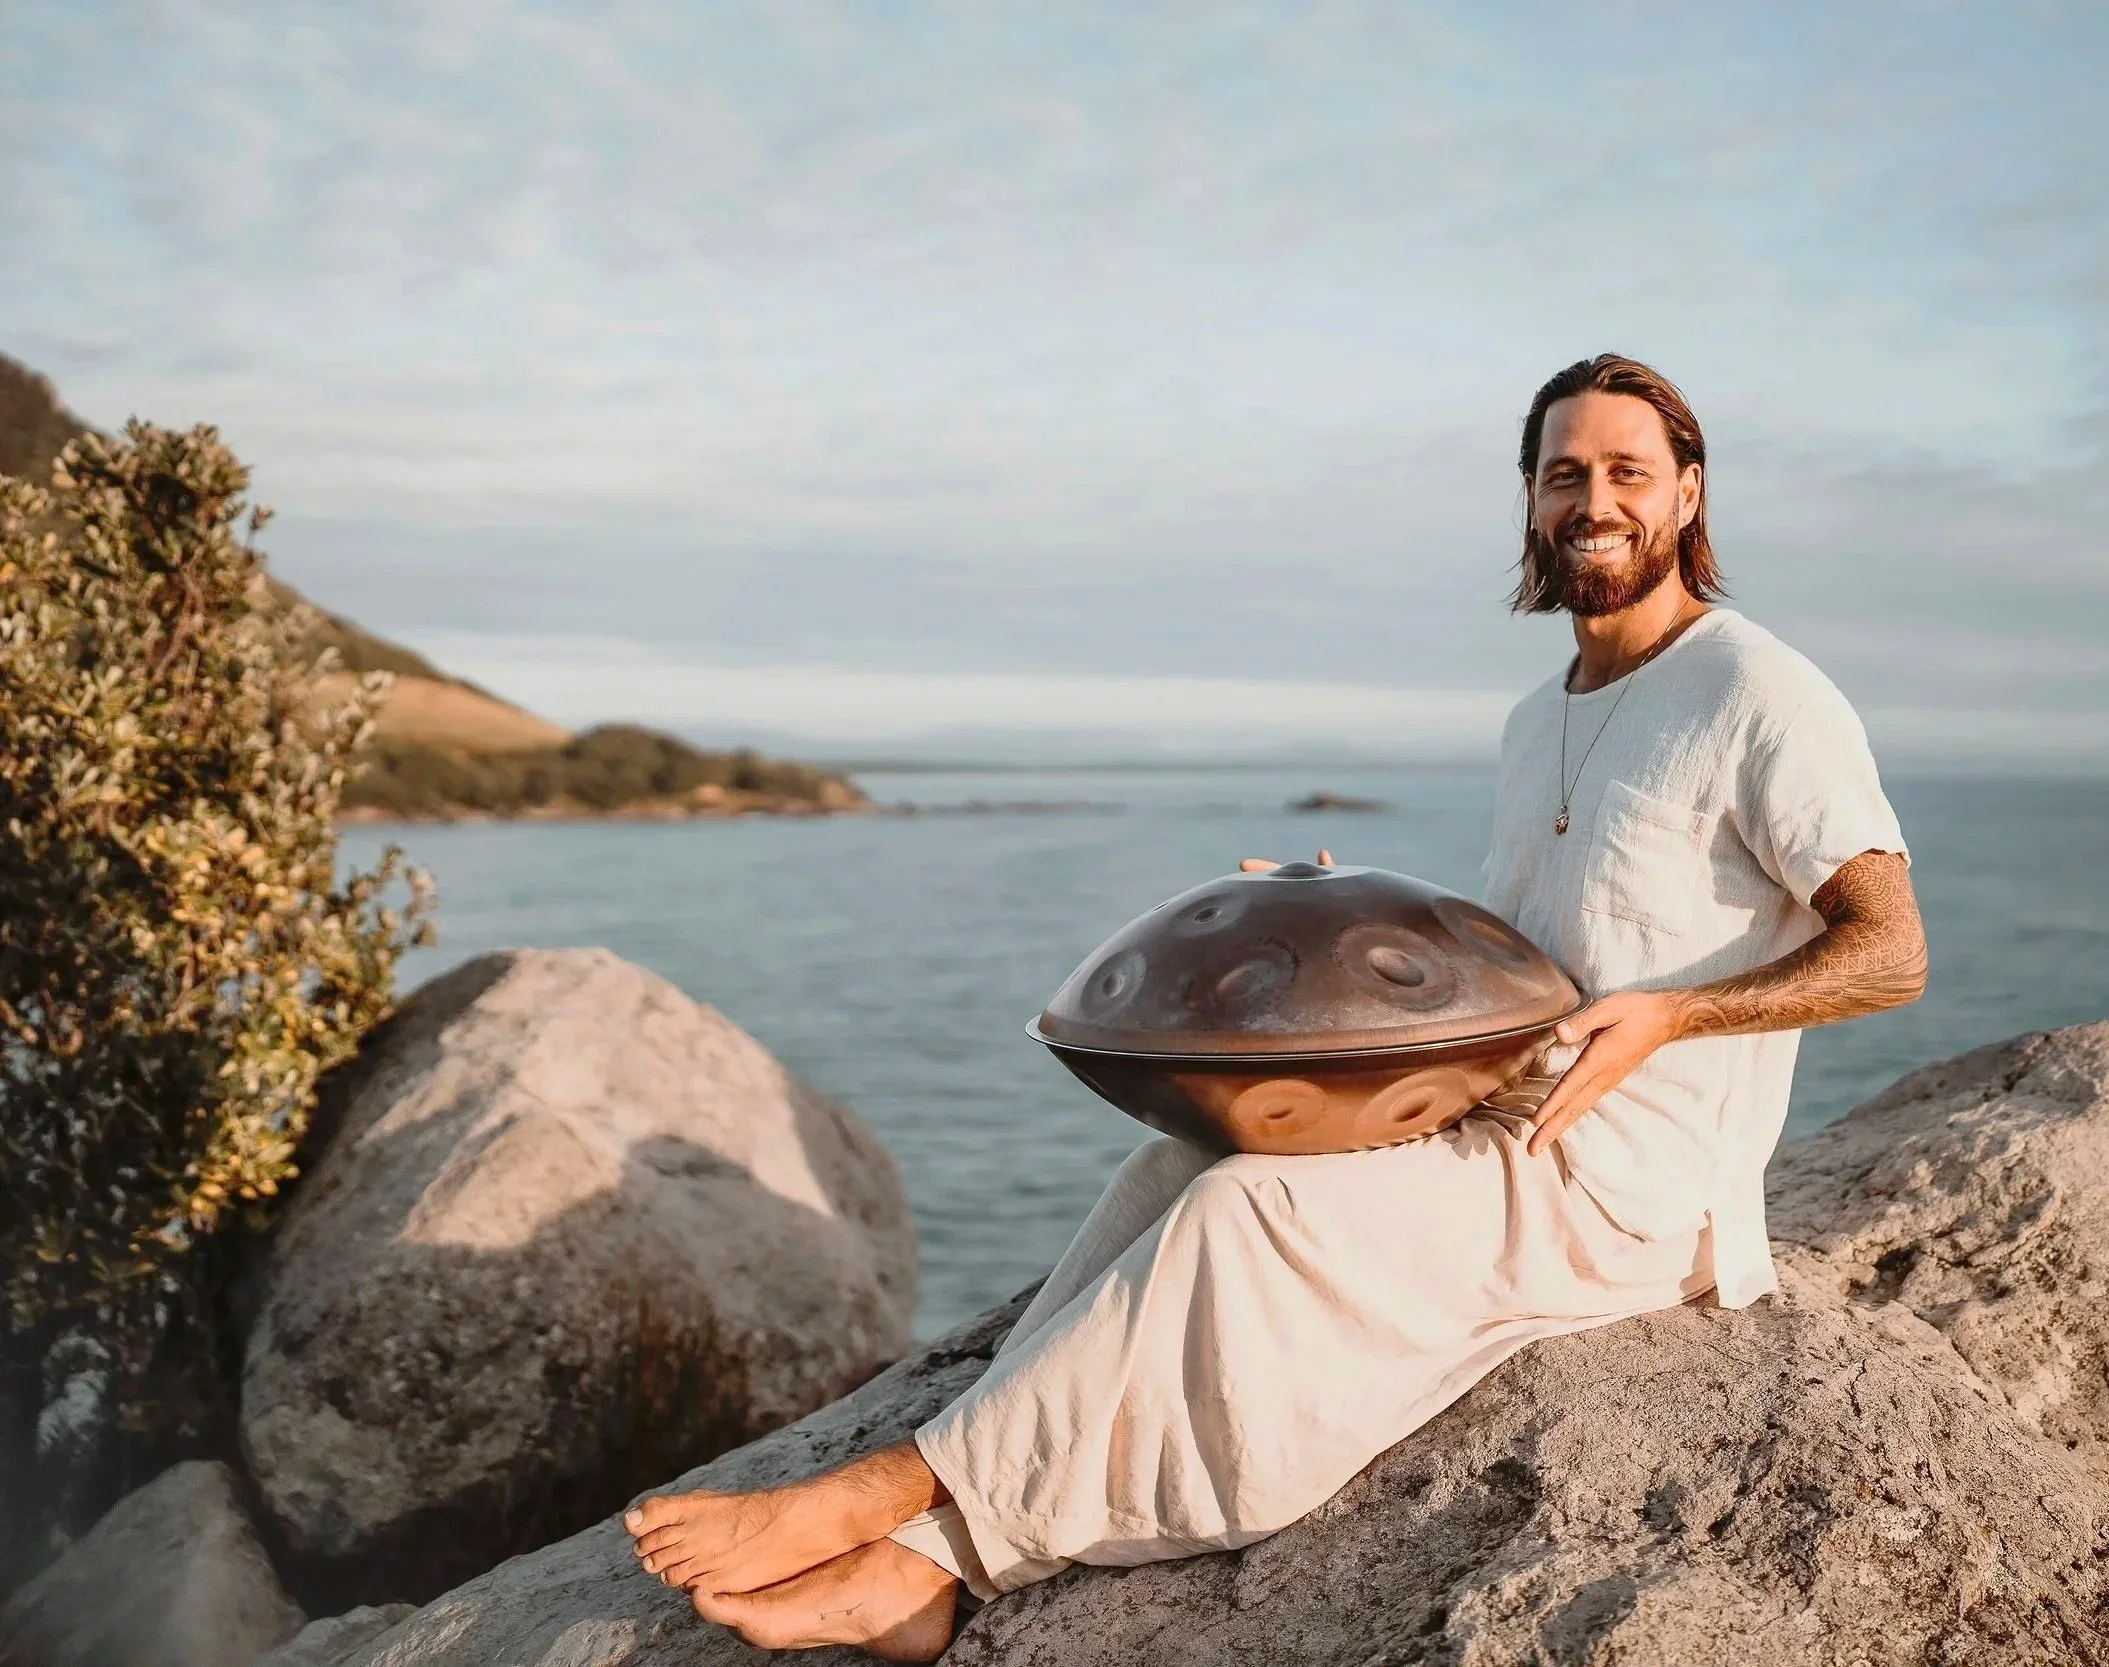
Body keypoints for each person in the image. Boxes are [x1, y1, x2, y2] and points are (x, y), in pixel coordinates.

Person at [621, 353, 1928, 1658]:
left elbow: (1892, 952)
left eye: (1628, 472)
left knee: (1247, 1215)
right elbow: (1539, 953)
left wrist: (1673, 1016)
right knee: (1172, 1165)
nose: (1595, 500)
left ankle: (889, 1510)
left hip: (1631, 1189)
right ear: (1532, 499)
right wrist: (1330, 920)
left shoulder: (1756, 692)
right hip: (1500, 1126)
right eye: (1564, 473)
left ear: (1687, 493)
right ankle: (928, 1549)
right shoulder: (1541, 716)